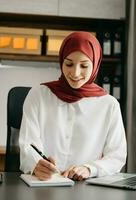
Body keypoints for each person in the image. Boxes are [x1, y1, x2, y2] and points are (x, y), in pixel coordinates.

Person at [19, 31, 126, 181]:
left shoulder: (109, 105)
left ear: (95, 65)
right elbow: (27, 145)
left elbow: (117, 155)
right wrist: (36, 164)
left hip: (86, 188)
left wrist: (90, 169)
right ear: (61, 61)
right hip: (44, 185)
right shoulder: (38, 95)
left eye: (84, 66)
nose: (75, 73)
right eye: (69, 64)